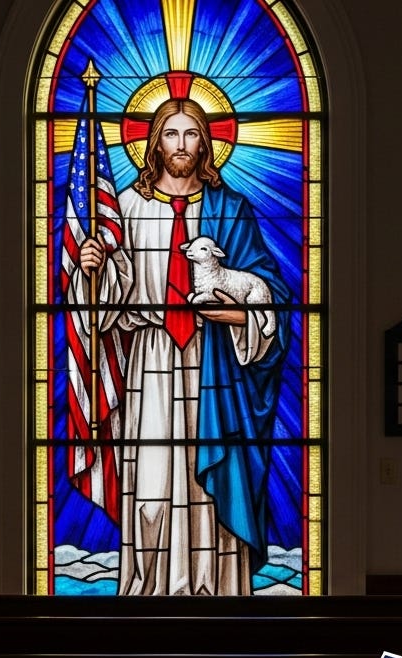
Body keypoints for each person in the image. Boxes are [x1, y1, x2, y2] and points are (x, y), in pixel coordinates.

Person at [74, 97, 290, 595]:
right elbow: (102, 303)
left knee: (211, 486)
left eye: (191, 133)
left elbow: (271, 294)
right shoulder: (125, 208)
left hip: (216, 363)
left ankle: (218, 590)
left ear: (206, 142)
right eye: (171, 134)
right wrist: (93, 266)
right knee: (150, 489)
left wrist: (236, 316)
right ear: (154, 142)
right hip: (148, 357)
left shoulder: (230, 208)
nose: (181, 145)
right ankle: (148, 591)